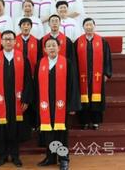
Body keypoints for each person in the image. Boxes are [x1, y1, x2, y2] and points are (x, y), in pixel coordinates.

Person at [36, 37, 81, 170]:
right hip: (46, 104)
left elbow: (73, 85)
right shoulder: (40, 63)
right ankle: (50, 157)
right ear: (44, 49)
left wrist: (72, 105)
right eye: (48, 46)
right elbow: (36, 85)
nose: (51, 48)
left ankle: (63, 159)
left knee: (61, 133)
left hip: (62, 105)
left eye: (53, 45)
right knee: (48, 132)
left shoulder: (66, 62)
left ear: (59, 47)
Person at [0, 30, 32, 167]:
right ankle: (2, 155)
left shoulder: (22, 58)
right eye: (5, 39)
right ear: (1, 42)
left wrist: (26, 99)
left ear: (15, 41)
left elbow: (28, 80)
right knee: (2, 128)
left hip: (17, 100)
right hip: (0, 100)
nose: (8, 41)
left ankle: (15, 155)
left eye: (10, 39)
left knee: (15, 128)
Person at [74, 18, 112, 130]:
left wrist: (106, 73)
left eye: (91, 25)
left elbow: (107, 59)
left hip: (97, 76)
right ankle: (84, 122)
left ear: (94, 26)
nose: (89, 27)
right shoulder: (77, 42)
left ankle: (95, 122)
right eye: (86, 25)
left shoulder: (102, 42)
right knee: (84, 99)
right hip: (83, 76)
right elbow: (74, 60)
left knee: (96, 99)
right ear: (83, 27)